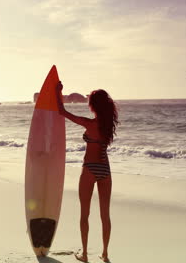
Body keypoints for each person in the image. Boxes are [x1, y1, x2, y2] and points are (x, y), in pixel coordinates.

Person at [55, 81, 119, 263]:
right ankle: (105, 254)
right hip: (105, 169)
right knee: (105, 215)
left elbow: (62, 112)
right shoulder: (108, 126)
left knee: (85, 214)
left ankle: (84, 254)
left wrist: (58, 92)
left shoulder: (89, 124)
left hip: (90, 168)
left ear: (93, 106)